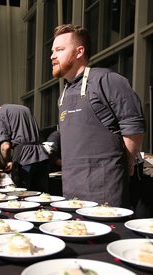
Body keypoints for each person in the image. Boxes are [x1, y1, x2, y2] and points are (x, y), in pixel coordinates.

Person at [51, 24, 145, 207]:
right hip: (71, 188)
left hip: (105, 190)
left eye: (59, 50)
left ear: (79, 52)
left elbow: (133, 126)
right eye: (52, 51)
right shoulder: (64, 94)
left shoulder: (107, 80)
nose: (52, 56)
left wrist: (125, 164)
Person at [0, 102, 49, 192]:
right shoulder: (24, 108)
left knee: (22, 195)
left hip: (24, 157)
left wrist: (5, 163)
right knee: (42, 196)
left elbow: (5, 146)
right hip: (41, 154)